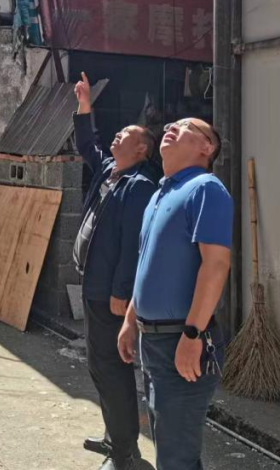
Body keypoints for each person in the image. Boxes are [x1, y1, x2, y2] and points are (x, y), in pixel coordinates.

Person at [118, 118, 232, 470]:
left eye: (185, 126)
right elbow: (147, 263)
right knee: (170, 447)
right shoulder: (160, 194)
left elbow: (215, 265)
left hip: (182, 339)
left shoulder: (205, 189)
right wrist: (131, 320)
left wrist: (193, 333)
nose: (171, 126)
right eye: (171, 124)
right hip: (153, 341)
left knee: (175, 456)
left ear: (207, 147)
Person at [73, 72, 159, 470]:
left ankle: (125, 453)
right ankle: (115, 436)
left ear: (141, 148)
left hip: (110, 292)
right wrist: (84, 106)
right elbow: (86, 145)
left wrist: (121, 292)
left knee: (112, 369)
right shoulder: (109, 170)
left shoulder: (140, 186)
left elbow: (132, 246)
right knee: (99, 366)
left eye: (124, 134)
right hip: (93, 285)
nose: (116, 136)